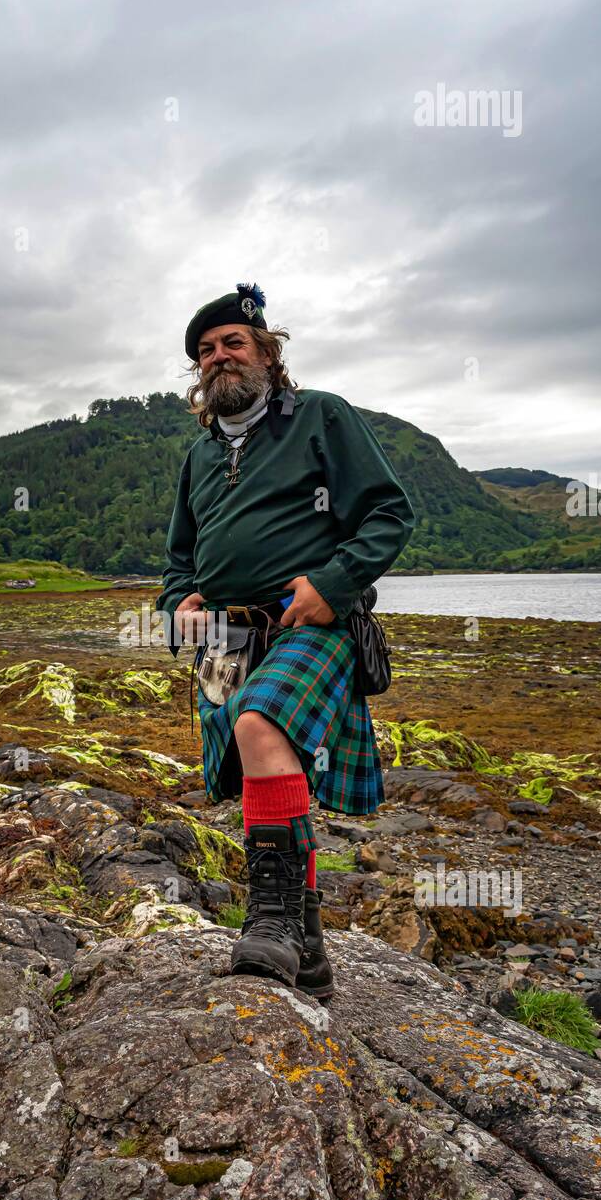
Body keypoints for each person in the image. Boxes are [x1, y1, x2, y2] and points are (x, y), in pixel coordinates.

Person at [155, 282, 416, 995]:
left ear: (267, 354)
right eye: (204, 353)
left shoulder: (320, 418)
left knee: (260, 721)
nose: (218, 359)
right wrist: (180, 601)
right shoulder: (200, 458)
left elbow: (389, 514)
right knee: (262, 775)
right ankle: (307, 952)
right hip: (227, 642)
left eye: (232, 344)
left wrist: (331, 586)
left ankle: (266, 923)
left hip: (308, 623)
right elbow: (180, 557)